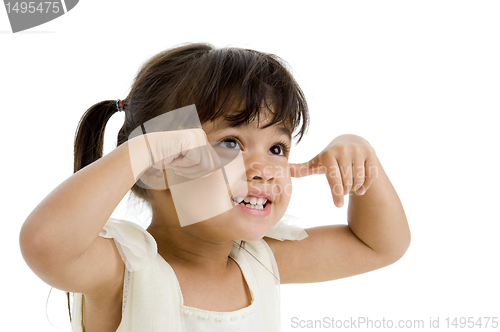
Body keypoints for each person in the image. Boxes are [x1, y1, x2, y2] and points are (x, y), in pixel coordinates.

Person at [19, 43, 410, 332]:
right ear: (158, 166)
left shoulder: (259, 262)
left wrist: (362, 157)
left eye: (277, 147)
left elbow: (379, 245)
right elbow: (46, 244)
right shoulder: (124, 271)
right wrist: (141, 150)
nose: (265, 169)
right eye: (229, 143)